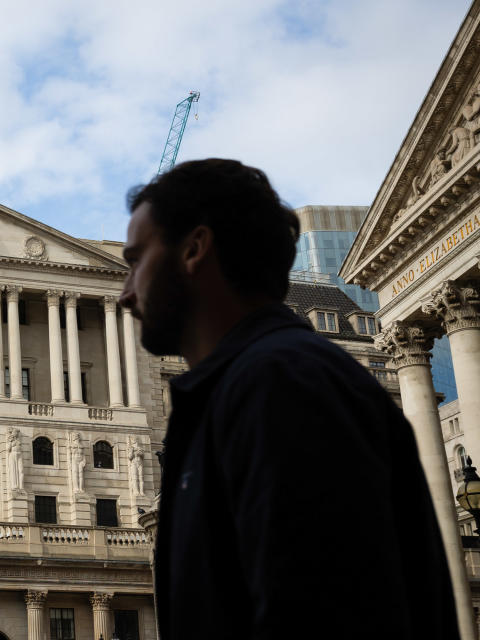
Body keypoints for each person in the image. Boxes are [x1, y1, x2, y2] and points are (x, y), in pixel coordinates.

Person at [119, 159, 458, 639]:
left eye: (136, 261)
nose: (125, 294)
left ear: (194, 249)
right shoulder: (244, 390)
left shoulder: (284, 386)